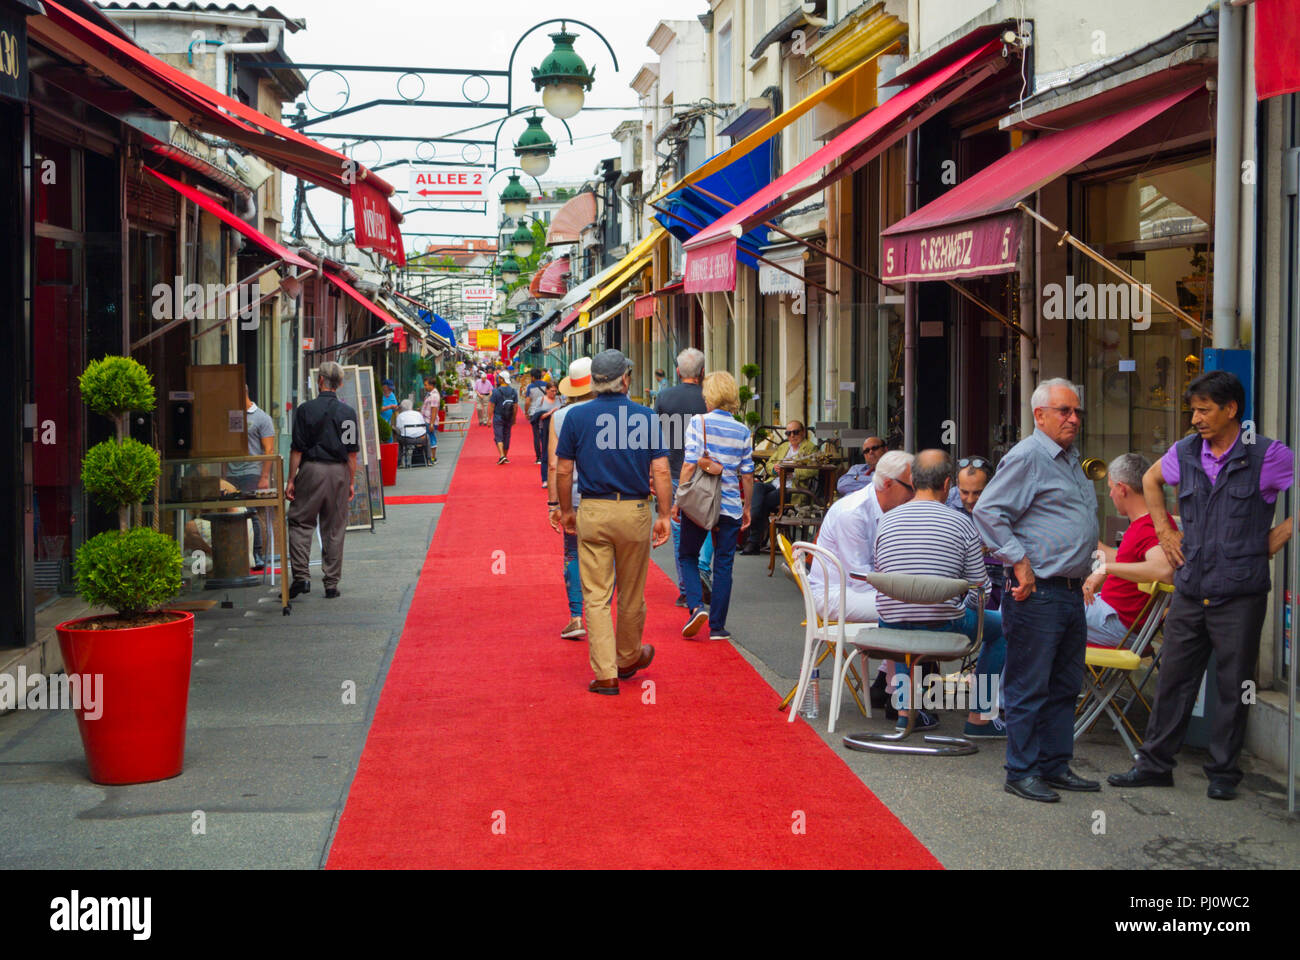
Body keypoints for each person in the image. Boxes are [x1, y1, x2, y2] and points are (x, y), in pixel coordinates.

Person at [1110, 371, 1294, 800]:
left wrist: (1274, 539)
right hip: (1193, 586)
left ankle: (1224, 773)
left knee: (1235, 685)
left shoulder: (1267, 454)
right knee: (1174, 677)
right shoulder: (1186, 451)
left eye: (1204, 410)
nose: (1195, 418)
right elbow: (1151, 480)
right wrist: (1164, 529)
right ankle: (1154, 765)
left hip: (1240, 592)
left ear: (1231, 410)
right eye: (1193, 409)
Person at [973, 377, 1099, 804]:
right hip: (1037, 590)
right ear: (1039, 415)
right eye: (1064, 410)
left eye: (1077, 411)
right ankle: (1021, 771)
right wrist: (1019, 560)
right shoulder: (1027, 456)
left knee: (1065, 685)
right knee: (1029, 686)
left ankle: (1053, 765)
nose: (1074, 418)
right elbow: (988, 511)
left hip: (1068, 589)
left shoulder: (1067, 458)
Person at [555, 349, 672, 695]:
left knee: (596, 595)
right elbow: (662, 470)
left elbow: (563, 470)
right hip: (634, 511)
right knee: (632, 592)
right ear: (625, 379)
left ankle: (605, 673)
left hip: (593, 509)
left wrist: (566, 511)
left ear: (594, 382)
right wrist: (664, 514)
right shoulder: (647, 417)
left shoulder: (576, 417)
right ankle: (627, 657)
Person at [873, 450, 1005, 736]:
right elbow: (981, 589)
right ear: (947, 485)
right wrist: (965, 609)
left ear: (914, 479)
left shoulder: (885, 521)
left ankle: (906, 712)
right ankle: (980, 716)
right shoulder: (961, 525)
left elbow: (883, 574)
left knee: (903, 614)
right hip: (942, 624)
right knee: (1004, 628)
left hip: (888, 628)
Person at [673, 371, 753, 641]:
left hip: (701, 503)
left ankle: (696, 606)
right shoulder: (743, 430)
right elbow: (748, 474)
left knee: (687, 555)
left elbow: (689, 463)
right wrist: (747, 506)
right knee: (723, 565)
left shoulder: (699, 422)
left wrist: (678, 500)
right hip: (730, 506)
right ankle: (718, 626)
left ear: (710, 395)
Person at [806, 449, 915, 624]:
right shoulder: (854, 513)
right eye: (911, 488)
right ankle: (888, 650)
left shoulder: (884, 506)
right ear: (888, 484)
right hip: (836, 593)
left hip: (855, 588)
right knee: (914, 608)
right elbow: (860, 578)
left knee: (919, 604)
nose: (915, 495)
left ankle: (888, 650)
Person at [1082, 453, 1175, 647]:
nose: (1110, 495)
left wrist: (1105, 568)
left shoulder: (1150, 526)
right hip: (1111, 615)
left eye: (1111, 488)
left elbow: (1164, 570)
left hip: (1117, 624)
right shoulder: (1148, 521)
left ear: (1122, 489)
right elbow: (1127, 559)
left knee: (1033, 610)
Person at [286, 361, 359, 600]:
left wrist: (291, 480)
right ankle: (331, 583)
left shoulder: (305, 410)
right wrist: (350, 481)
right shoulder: (348, 413)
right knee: (335, 527)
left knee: (300, 522)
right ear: (339, 384)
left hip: (311, 469)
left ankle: (301, 577)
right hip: (338, 471)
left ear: (320, 381)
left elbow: (297, 449)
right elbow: (351, 452)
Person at [948, 456, 1008, 734]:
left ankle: (996, 698)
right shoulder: (947, 506)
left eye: (977, 492)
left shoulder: (1004, 502)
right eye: (964, 492)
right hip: (957, 584)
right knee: (1002, 629)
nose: (970, 499)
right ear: (954, 487)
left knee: (1011, 620)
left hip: (998, 575)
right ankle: (981, 713)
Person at [655, 347, 713, 607]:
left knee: (679, 529)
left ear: (677, 372)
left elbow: (655, 438)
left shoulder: (664, 397)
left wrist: (652, 474)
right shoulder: (710, 398)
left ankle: (685, 587)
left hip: (675, 470)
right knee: (710, 521)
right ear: (702, 372)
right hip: (708, 471)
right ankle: (702, 568)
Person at [548, 357, 593, 640]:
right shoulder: (609, 412)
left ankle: (576, 616)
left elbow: (554, 465)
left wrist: (554, 505)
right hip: (605, 496)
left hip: (573, 497)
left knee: (573, 554)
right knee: (606, 554)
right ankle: (600, 611)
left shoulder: (560, 416)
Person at [743, 421, 819, 554]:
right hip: (775, 482)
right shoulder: (784, 447)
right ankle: (755, 531)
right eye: (789, 433)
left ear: (802, 432)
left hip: (793, 488)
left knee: (763, 501)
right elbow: (769, 464)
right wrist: (775, 469)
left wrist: (793, 471)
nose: (792, 436)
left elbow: (814, 470)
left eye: (795, 432)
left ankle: (753, 541)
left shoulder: (810, 448)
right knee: (758, 487)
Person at [228, 383, 277, 569]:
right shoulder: (231, 416)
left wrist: (264, 477)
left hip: (251, 472)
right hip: (232, 471)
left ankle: (256, 554)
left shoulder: (261, 417)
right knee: (231, 512)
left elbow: (269, 449)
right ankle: (237, 553)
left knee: (250, 511)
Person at [531, 383, 562, 487]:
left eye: (555, 391)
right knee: (546, 453)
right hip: (545, 429)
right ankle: (545, 478)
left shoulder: (560, 399)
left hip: (558, 428)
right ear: (547, 390)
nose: (554, 393)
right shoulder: (541, 400)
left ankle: (557, 477)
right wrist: (550, 412)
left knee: (559, 454)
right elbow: (537, 416)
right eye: (552, 391)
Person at [489, 374, 519, 464]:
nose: (498, 379)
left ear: (502, 379)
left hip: (498, 416)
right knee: (506, 436)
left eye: (499, 378)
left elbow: (491, 406)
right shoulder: (513, 391)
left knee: (498, 436)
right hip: (509, 417)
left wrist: (488, 418)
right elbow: (516, 406)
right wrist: (514, 418)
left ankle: (502, 455)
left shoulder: (495, 391)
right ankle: (505, 456)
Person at [523, 368, 550, 465]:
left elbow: (527, 401)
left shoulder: (530, 386)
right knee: (545, 435)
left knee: (536, 435)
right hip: (545, 411)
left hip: (534, 412)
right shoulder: (547, 385)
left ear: (533, 377)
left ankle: (538, 457)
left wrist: (526, 412)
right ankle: (546, 456)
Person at [394, 399, 429, 466]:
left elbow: (398, 428)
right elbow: (423, 426)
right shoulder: (418, 414)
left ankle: (399, 461)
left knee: (398, 438)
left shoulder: (400, 416)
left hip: (407, 440)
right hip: (421, 439)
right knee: (427, 437)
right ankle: (428, 459)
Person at [419, 376, 440, 463]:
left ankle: (432, 458)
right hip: (426, 420)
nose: (425, 387)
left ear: (431, 385)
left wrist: (431, 424)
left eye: (426, 385)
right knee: (428, 438)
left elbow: (434, 411)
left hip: (429, 421)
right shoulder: (430, 394)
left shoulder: (434, 395)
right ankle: (429, 457)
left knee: (431, 438)